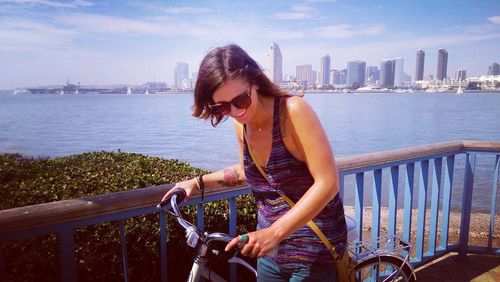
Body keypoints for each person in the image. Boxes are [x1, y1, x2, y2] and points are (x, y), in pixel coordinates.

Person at [161, 44, 347, 281]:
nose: (236, 111)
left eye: (241, 99)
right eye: (223, 106)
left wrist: (274, 233)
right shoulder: (242, 124)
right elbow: (246, 170)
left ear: (256, 82)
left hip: (313, 252)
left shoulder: (293, 112)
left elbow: (328, 182)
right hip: (270, 251)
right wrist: (196, 183)